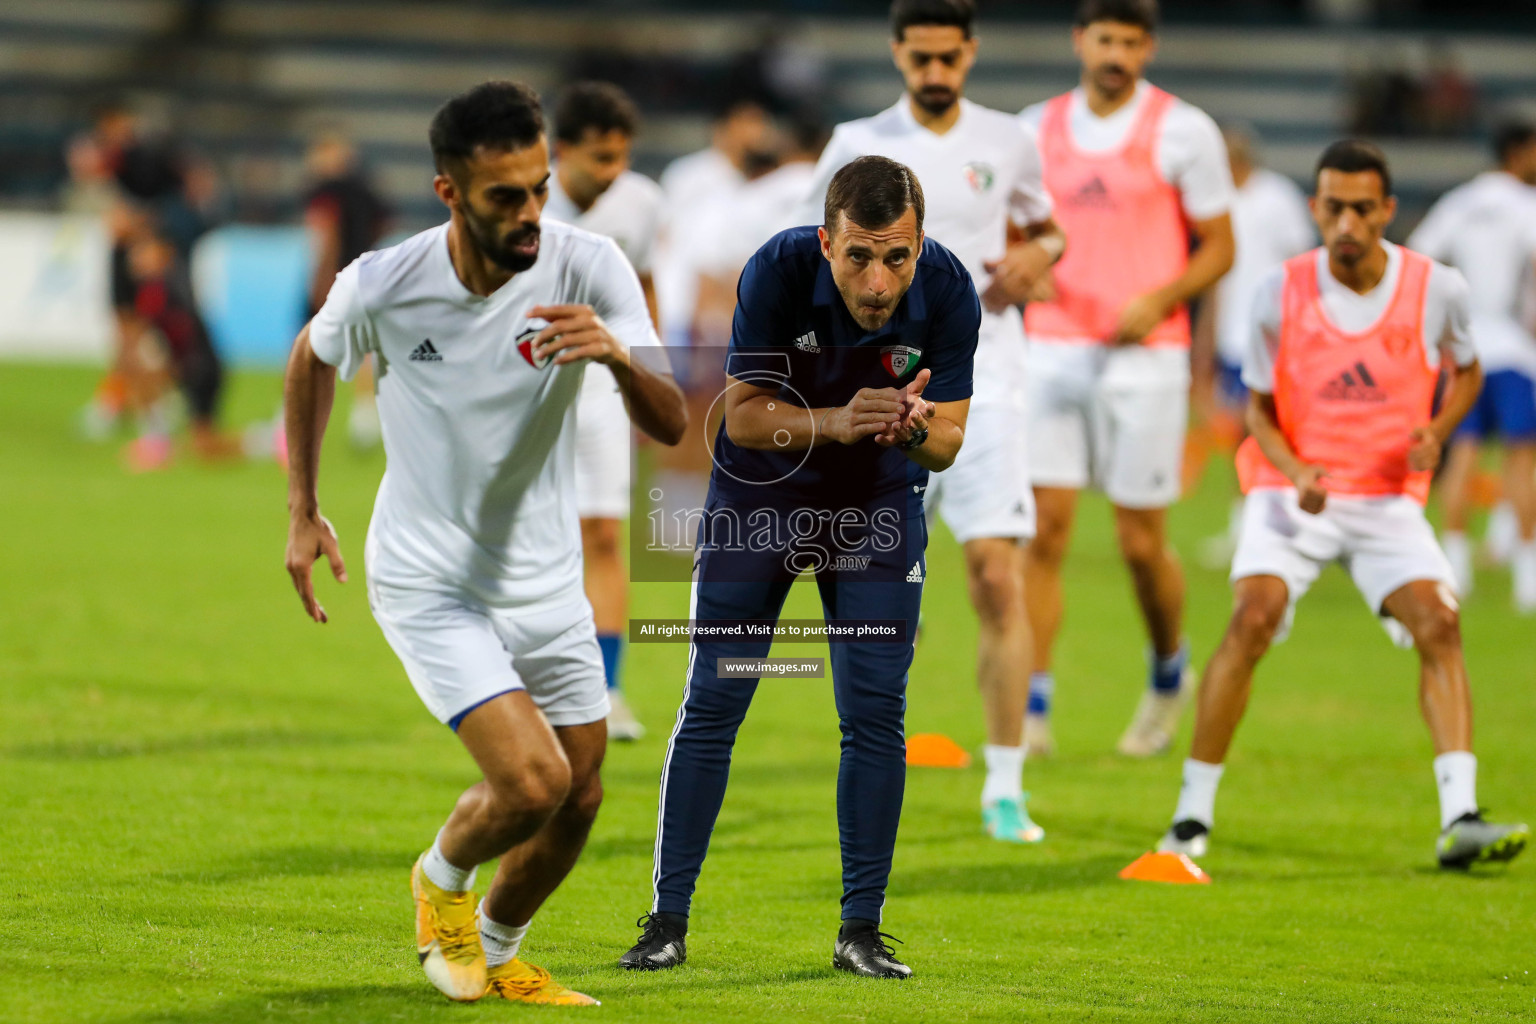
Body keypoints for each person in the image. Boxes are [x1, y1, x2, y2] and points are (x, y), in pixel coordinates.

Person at [281, 81, 686, 1006]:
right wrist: (303, 505)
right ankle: (440, 881)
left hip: (542, 579)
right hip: (430, 579)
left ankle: (500, 953)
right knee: (533, 779)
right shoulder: (383, 282)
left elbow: (670, 422)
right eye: (507, 196)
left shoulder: (589, 265)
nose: (532, 213)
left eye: (540, 187)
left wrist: (618, 359)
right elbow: (312, 355)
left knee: (581, 795)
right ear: (449, 192)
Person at [620, 156, 979, 980]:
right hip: (763, 500)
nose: (879, 279)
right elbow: (741, 420)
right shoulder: (778, 271)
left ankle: (861, 930)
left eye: (898, 256)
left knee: (873, 710)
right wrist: (840, 421)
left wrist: (913, 426)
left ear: (920, 245)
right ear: (826, 241)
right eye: (859, 255)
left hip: (879, 510)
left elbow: (951, 441)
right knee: (715, 698)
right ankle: (666, 920)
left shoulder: (952, 290)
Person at [1155, 140, 1528, 870]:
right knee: (1252, 616)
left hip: (1386, 500)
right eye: (1335, 206)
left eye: (1363, 207)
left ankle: (1461, 817)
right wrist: (1295, 468)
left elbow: (1469, 371)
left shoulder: (1436, 287)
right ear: (1314, 208)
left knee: (1440, 624)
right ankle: (1190, 819)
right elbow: (1259, 408)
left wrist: (1439, 432)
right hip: (1291, 493)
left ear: (1388, 210)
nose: (1348, 221)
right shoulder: (1281, 291)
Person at [799, 0, 1065, 838]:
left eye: (950, 55)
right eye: (921, 56)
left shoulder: (1008, 140)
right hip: (880, 392)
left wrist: (1038, 252)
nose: (936, 71)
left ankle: (1006, 786)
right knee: (878, 584)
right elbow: (815, 249)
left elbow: (1050, 228)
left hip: (987, 377)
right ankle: (874, 758)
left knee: (994, 572)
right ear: (897, 53)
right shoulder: (855, 144)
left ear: (971, 52)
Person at [1018, 0, 1235, 757]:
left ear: (1149, 47)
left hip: (1147, 358)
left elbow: (1219, 247)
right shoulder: (1033, 128)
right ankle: (1033, 706)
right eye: (1105, 38)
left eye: (1132, 41)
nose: (1118, 53)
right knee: (1041, 532)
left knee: (1141, 543)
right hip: (1049, 350)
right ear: (1080, 39)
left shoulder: (1184, 130)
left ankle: (1169, 671)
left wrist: (1162, 297)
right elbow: (1011, 232)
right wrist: (1025, 269)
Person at [545, 81, 667, 741]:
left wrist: (652, 385)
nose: (612, 172)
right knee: (528, 536)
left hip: (602, 388)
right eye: (599, 158)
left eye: (620, 157)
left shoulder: (641, 203)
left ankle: (607, 687)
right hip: (527, 390)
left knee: (603, 535)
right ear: (561, 151)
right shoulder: (523, 201)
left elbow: (643, 292)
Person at [1409, 121, 1536, 613]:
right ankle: (1527, 574)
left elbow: (1420, 260)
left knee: (1460, 455)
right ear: (1519, 151)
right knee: (1520, 462)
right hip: (1513, 350)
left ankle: (1455, 567)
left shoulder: (1460, 202)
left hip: (1465, 350)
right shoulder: (1526, 205)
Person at [1192, 125, 1315, 568]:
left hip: (1275, 336)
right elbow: (1216, 280)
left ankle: (1278, 524)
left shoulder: (1278, 199)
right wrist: (1205, 344)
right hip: (1233, 338)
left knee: (1274, 431)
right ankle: (1247, 524)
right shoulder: (1219, 206)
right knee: (1245, 435)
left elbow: (1303, 271)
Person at [302, 132, 391, 450]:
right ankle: (365, 418)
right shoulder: (366, 190)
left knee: (308, 347)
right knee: (367, 346)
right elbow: (384, 222)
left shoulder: (323, 192)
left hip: (334, 277)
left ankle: (296, 418)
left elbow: (324, 234)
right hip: (366, 274)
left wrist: (321, 277)